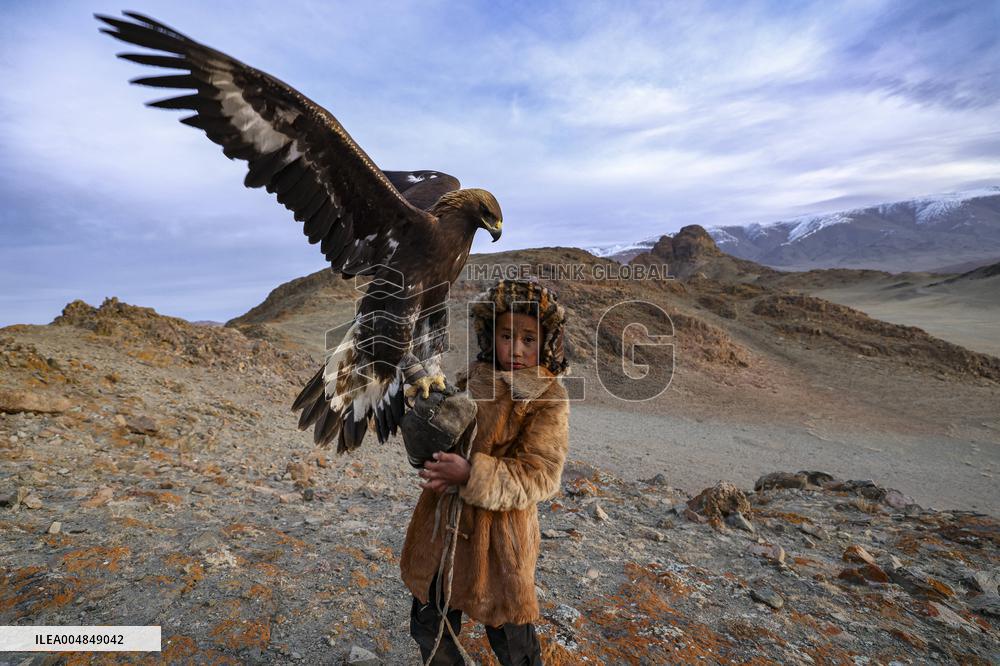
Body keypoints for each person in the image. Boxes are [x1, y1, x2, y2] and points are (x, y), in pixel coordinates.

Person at [399, 277, 572, 665]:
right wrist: (426, 431)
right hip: (442, 526)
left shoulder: (548, 397)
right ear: (490, 334)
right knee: (430, 626)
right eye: (507, 336)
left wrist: (469, 474)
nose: (516, 349)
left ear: (546, 342)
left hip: (501, 539)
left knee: (513, 640)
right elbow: (448, 439)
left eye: (529, 339)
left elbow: (541, 474)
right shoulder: (470, 379)